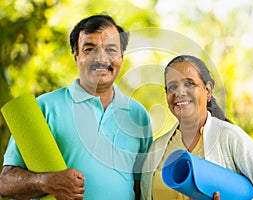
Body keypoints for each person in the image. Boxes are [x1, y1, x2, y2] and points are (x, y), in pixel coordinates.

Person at [0, 14, 152, 200]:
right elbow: (5, 183)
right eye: (90, 49)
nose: (101, 58)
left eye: (111, 50)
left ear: (121, 57)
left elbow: (142, 187)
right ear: (76, 57)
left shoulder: (138, 115)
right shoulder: (44, 107)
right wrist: (46, 181)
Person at [140, 55, 253, 200]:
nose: (179, 92)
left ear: (207, 90)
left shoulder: (229, 136)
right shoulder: (156, 149)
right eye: (172, 86)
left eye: (189, 83)